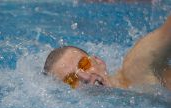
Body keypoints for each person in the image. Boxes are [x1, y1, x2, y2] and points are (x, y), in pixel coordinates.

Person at [43, 16, 171, 90]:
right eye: (71, 80)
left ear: (99, 61)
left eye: (84, 64)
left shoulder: (136, 66)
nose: (85, 78)